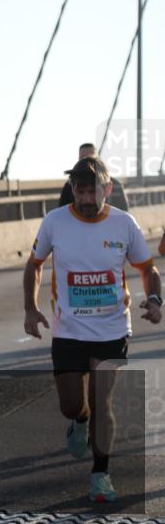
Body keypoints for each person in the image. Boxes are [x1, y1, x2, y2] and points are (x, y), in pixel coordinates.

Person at [23, 156, 161, 503]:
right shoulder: (55, 222)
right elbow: (35, 265)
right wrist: (30, 308)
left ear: (107, 189)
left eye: (92, 191)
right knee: (73, 406)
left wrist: (156, 299)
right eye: (79, 191)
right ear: (72, 190)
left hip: (112, 329)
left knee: (104, 402)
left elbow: (147, 269)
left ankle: (101, 474)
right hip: (68, 330)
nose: (85, 199)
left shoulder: (124, 224)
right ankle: (79, 422)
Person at [58, 143, 128, 210]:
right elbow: (63, 213)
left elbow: (123, 212)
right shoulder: (69, 185)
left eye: (90, 158)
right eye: (80, 191)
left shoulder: (116, 185)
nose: (86, 162)